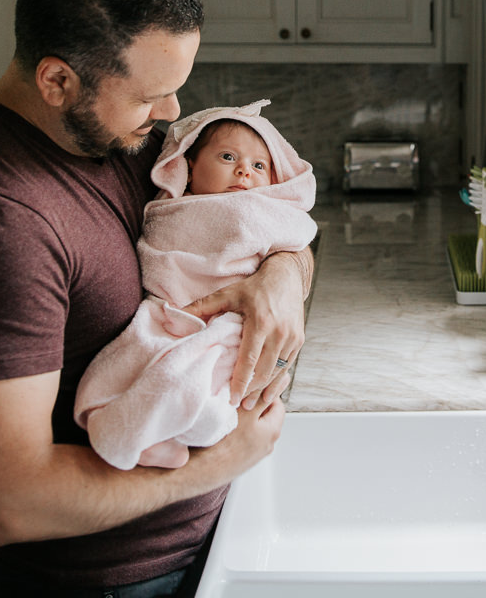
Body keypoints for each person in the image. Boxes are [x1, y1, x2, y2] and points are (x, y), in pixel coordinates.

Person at [0, 0, 312, 598]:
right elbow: (8, 502)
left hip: (199, 549)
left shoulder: (127, 140)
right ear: (58, 80)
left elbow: (267, 224)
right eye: (152, 94)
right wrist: (218, 464)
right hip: (103, 584)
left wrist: (278, 281)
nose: (173, 113)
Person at [74, 100, 316, 471]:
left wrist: (284, 272)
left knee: (200, 373)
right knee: (135, 358)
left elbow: (299, 244)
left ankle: (178, 426)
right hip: (168, 309)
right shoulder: (169, 207)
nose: (243, 172)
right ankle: (130, 426)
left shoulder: (260, 209)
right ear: (187, 169)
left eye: (258, 166)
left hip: (231, 321)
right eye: (227, 157)